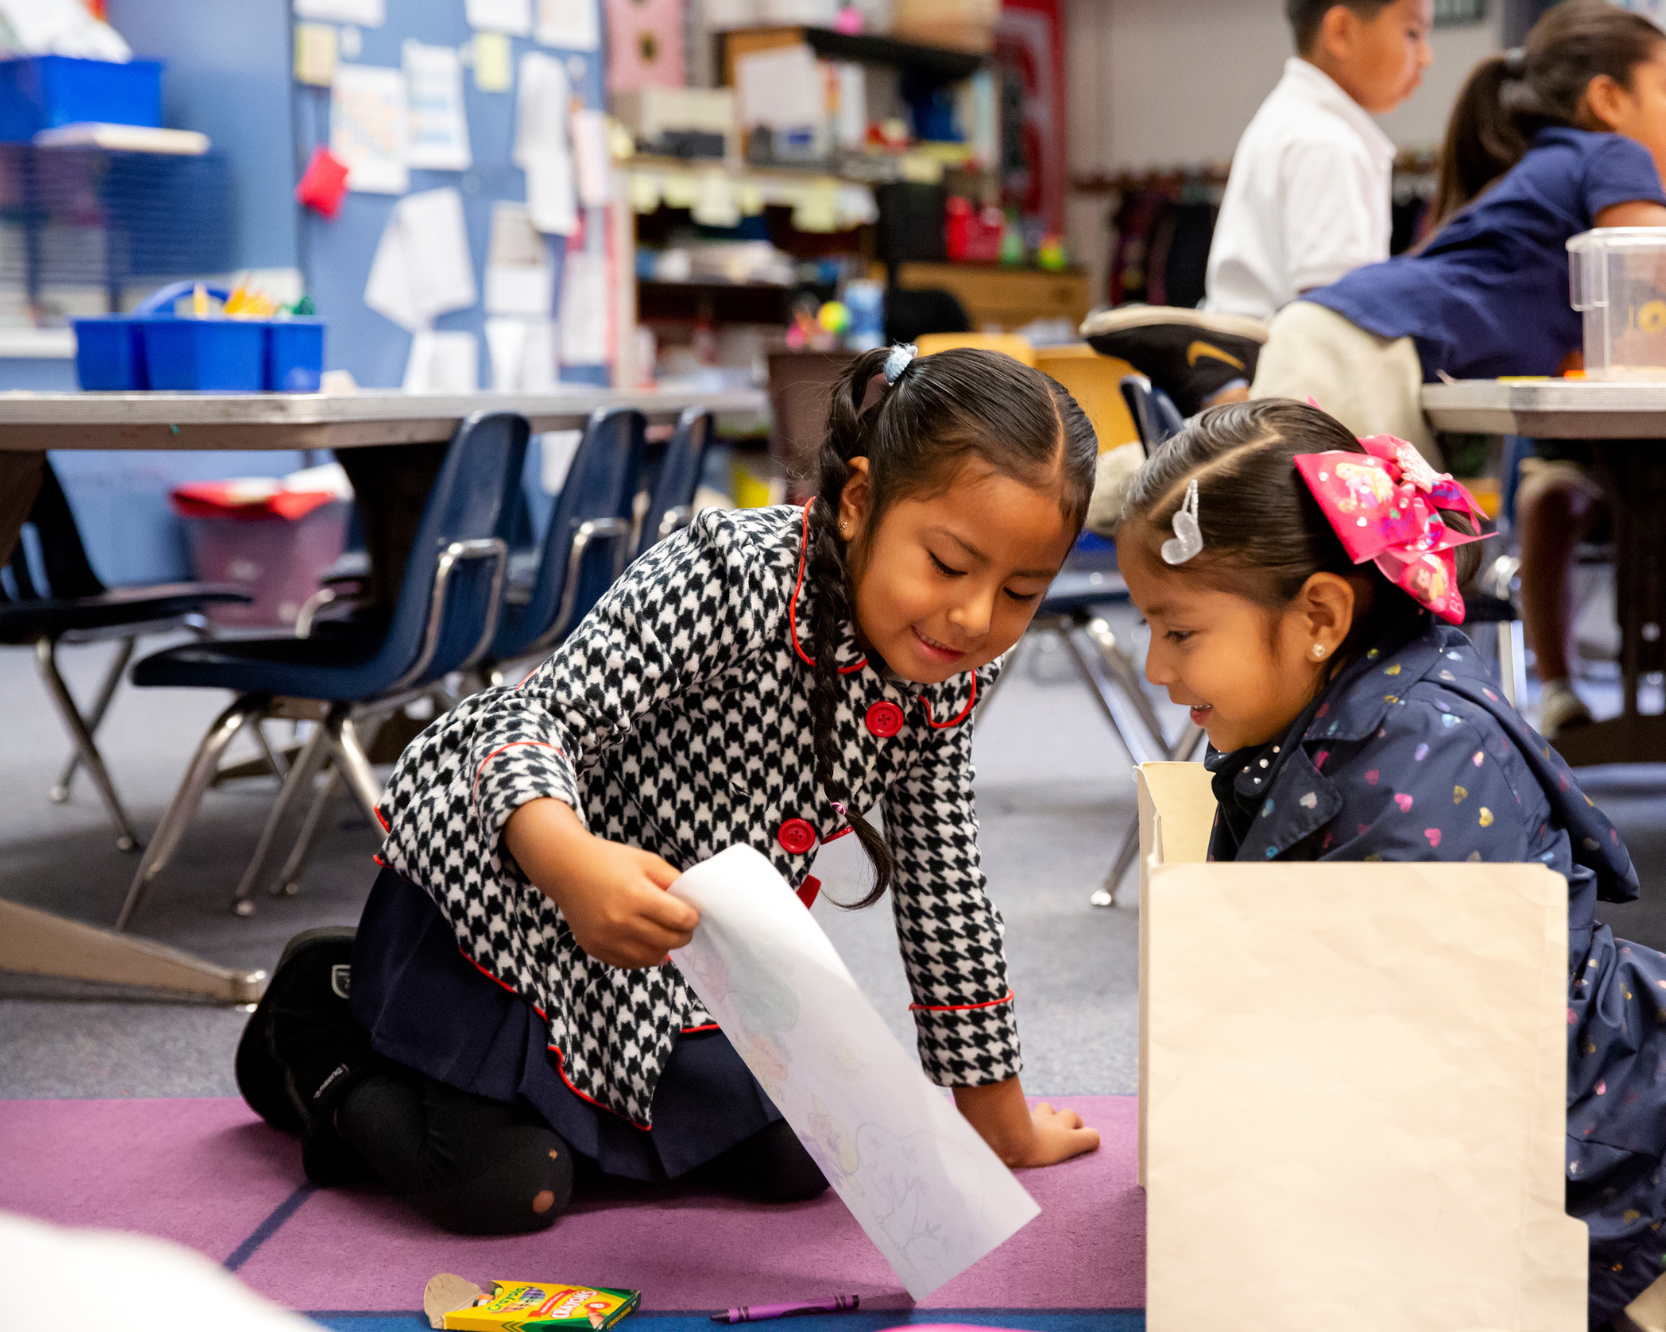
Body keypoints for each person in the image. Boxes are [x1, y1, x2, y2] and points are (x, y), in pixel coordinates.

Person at [1114, 397, 1666, 1332]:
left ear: (1322, 616)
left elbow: (1424, 1048)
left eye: (1179, 633)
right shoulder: (1333, 715)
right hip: (1598, 1112)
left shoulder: (1418, 750)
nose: (1156, 668)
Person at [233, 346, 1104, 1234]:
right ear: (857, 501)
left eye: (1020, 592)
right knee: (511, 1185)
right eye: (949, 565)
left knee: (806, 1158)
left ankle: (524, 1088)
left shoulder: (948, 674)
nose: (974, 617)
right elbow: (518, 721)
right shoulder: (729, 572)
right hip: (521, 910)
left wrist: (999, 1122)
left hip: (666, 968)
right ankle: (322, 1025)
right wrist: (573, 863)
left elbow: (946, 889)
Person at [1250, 0, 1666, 738]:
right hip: (1363, 350)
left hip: (1338, 336)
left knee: (1318, 580)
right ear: (1608, 101)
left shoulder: (1547, 174)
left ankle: (1326, 759)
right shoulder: (1611, 154)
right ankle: (1329, 763)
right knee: (1353, 585)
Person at [1078, 0, 1434, 416]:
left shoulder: (1287, 119)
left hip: (1242, 378)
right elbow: (1335, 317)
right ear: (1341, 32)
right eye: (1412, 33)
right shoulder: (1329, 143)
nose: (1425, 57)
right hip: (1277, 391)